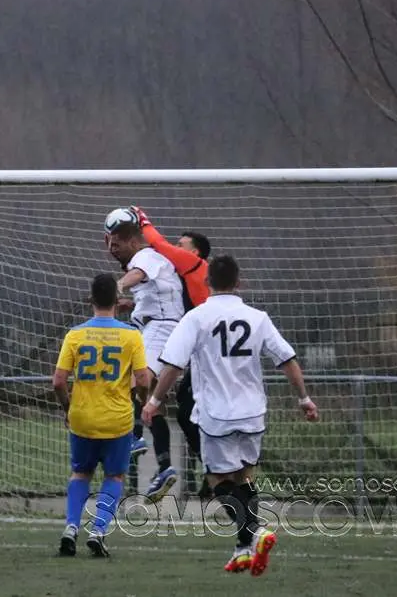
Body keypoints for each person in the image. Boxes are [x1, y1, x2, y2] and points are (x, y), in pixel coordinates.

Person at [142, 255, 318, 576]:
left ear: (207, 282)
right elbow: (288, 359)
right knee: (245, 477)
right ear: (239, 282)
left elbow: (173, 366)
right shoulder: (258, 317)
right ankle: (242, 549)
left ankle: (255, 531)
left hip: (216, 413)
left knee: (218, 480)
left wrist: (154, 400)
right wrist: (304, 398)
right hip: (253, 412)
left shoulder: (196, 317)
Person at [53, 273, 150, 557]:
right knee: (115, 476)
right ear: (119, 302)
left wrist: (67, 408)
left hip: (82, 418)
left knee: (80, 472)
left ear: (91, 300)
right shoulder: (131, 335)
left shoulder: (75, 334)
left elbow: (59, 381)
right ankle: (97, 530)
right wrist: (144, 402)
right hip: (117, 420)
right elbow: (143, 379)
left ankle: (71, 527)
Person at [129, 205, 211, 496]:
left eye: (182, 245)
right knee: (184, 408)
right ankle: (206, 469)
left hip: (209, 351)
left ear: (195, 253)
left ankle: (216, 470)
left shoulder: (193, 265)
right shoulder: (182, 278)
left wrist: (142, 219)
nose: (176, 248)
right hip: (196, 349)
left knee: (190, 407)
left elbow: (159, 244)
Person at [106, 220, 184, 501]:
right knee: (153, 401)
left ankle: (133, 438)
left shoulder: (145, 256)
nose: (113, 251)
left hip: (161, 327)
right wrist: (131, 304)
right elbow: (153, 291)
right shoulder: (145, 264)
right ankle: (164, 467)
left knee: (134, 381)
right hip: (159, 326)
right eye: (110, 246)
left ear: (132, 240)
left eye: (116, 245)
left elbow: (138, 273)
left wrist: (119, 285)